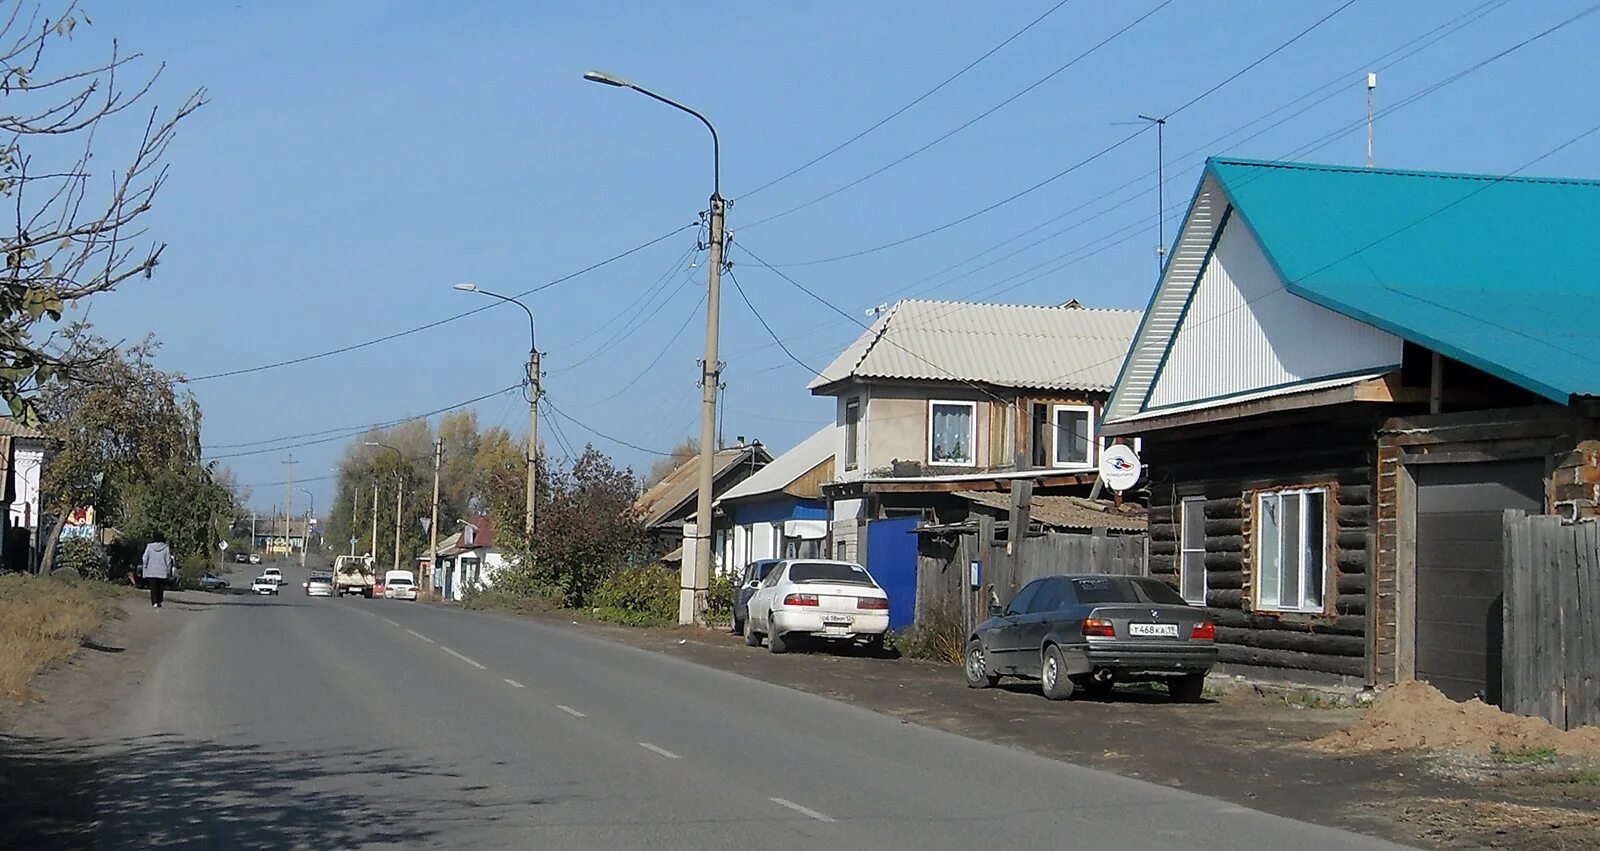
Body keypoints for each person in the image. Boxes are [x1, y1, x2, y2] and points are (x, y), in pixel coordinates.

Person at [140, 531, 176, 609]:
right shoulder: (166, 547)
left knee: (153, 587)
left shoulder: (149, 547)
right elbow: (168, 560)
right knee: (160, 587)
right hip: (162, 571)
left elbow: (145, 558)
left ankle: (154, 602)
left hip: (151, 570)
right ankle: (159, 600)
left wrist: (145, 567)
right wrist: (168, 570)